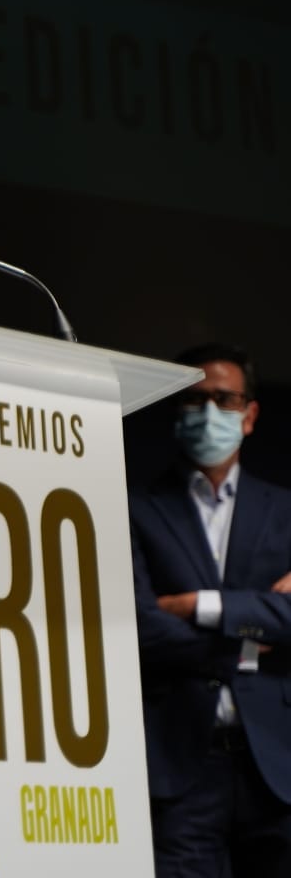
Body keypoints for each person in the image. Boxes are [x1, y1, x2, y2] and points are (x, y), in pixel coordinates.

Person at [129, 341, 291, 876]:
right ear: (175, 411)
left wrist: (200, 605)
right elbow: (140, 626)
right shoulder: (136, 508)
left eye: (223, 399)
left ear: (249, 415)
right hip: (181, 766)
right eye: (193, 399)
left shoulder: (286, 511)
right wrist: (254, 630)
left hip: (276, 762)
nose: (208, 412)